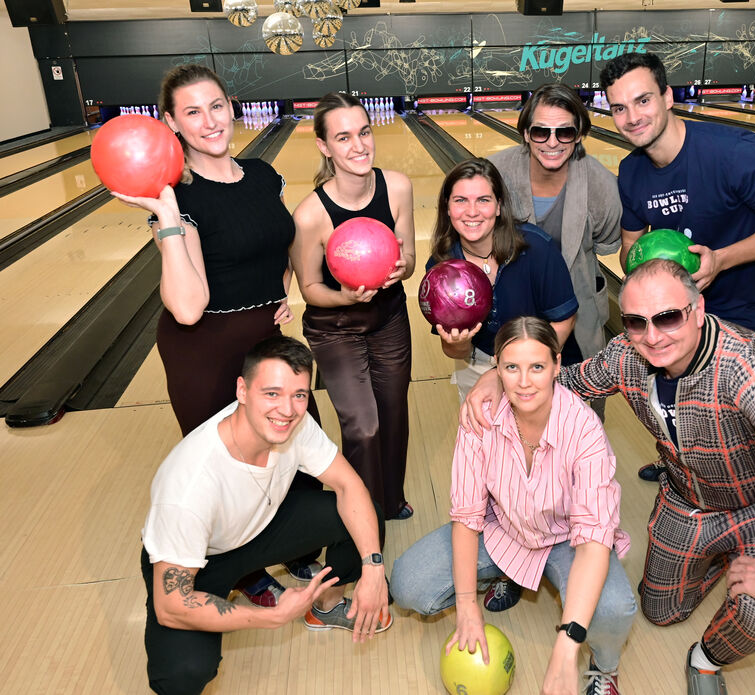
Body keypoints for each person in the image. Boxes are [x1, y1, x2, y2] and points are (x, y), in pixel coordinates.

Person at [463, 261, 755, 695]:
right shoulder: (627, 354)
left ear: (698, 310)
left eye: (668, 317)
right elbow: (561, 380)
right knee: (660, 611)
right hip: (687, 498)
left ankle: (706, 659)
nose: (652, 336)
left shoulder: (744, 365)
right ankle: (721, 558)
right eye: (636, 322)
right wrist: (497, 376)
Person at [114, 64, 323, 606]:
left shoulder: (263, 175)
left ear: (232, 106)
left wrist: (281, 291)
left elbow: (277, 243)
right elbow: (188, 307)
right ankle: (242, 569)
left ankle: (296, 541)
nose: (209, 121)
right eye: (192, 112)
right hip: (204, 349)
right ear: (171, 123)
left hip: (266, 343)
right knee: (228, 468)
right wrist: (166, 216)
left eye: (215, 106)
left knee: (297, 442)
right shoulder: (175, 198)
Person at [599, 51, 755, 481]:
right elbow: (629, 248)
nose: (632, 117)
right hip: (672, 314)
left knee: (734, 413)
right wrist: (645, 262)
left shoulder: (734, 152)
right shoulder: (631, 172)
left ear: (668, 96)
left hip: (738, 307)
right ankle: (683, 467)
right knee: (674, 401)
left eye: (643, 100)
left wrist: (721, 259)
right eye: (619, 108)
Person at [392, 317, 635, 695]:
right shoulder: (480, 416)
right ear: (496, 368)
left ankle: (604, 667)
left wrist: (566, 646)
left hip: (567, 540)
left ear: (557, 364)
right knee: (407, 584)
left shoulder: (584, 429)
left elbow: (592, 542)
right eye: (511, 367)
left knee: (613, 609)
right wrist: (467, 607)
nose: (524, 382)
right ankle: (507, 572)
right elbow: (467, 518)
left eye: (537, 366)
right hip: (502, 529)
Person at [140, 335, 390, 695]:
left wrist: (373, 568)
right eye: (272, 393)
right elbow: (171, 606)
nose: (287, 409)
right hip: (201, 561)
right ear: (242, 390)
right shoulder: (189, 485)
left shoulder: (295, 425)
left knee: (366, 516)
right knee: (183, 672)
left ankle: (327, 606)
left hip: (259, 528)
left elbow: (349, 486)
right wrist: (272, 617)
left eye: (299, 395)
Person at [290, 92, 416, 521]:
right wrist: (344, 296)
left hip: (389, 317)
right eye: (343, 137)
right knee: (364, 425)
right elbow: (310, 288)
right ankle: (363, 515)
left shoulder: (397, 187)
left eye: (364, 132)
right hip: (335, 325)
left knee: (393, 415)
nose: (359, 146)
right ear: (324, 146)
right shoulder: (310, 215)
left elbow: (409, 256)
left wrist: (401, 268)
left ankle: (390, 500)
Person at [487, 83, 621, 375]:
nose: (552, 142)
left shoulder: (602, 186)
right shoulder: (494, 174)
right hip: (511, 318)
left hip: (578, 316)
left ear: (579, 135)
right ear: (526, 133)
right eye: (540, 131)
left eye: (564, 132)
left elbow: (607, 241)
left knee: (578, 400)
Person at [427, 157, 579, 403]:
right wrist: (458, 342)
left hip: (540, 361)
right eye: (460, 200)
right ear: (447, 207)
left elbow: (564, 320)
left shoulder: (537, 249)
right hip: (476, 364)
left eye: (483, 200)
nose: (472, 211)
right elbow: (455, 351)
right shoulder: (441, 268)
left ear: (499, 206)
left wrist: (517, 369)